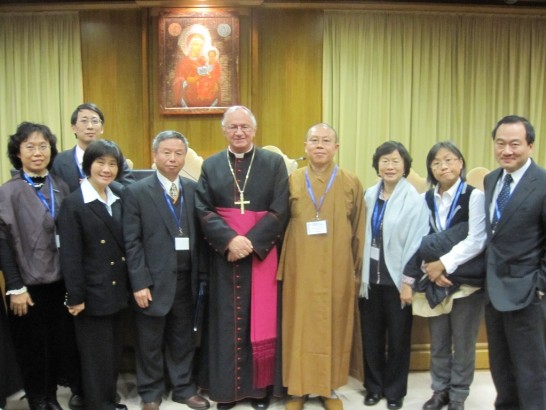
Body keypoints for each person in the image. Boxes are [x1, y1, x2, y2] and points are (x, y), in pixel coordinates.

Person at [195, 106, 289, 409]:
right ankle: (227, 391)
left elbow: (280, 209)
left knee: (259, 321)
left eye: (245, 127)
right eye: (233, 127)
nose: (239, 132)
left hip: (261, 255)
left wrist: (251, 241)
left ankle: (259, 391)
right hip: (225, 257)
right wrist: (230, 241)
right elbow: (203, 209)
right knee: (225, 323)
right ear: (224, 130)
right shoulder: (210, 166)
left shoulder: (273, 163)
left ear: (254, 130)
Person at [277, 123, 365, 410]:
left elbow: (359, 229)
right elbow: (278, 225)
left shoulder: (350, 181)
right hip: (299, 269)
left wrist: (356, 270)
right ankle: (297, 389)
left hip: (337, 269)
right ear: (305, 146)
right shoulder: (291, 180)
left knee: (333, 325)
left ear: (336, 148)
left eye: (326, 140)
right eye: (313, 140)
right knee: (297, 326)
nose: (319, 145)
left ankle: (328, 388)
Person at [123, 131, 209, 410]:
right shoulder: (136, 192)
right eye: (167, 153)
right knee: (149, 341)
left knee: (182, 338)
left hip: (187, 280)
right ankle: (150, 392)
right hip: (151, 282)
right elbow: (131, 242)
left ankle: (183, 388)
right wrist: (138, 283)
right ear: (155, 155)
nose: (173, 159)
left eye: (178, 153)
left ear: (185, 156)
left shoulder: (193, 189)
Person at [0, 122, 79, 410]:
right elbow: (3, 245)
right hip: (27, 285)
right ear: (18, 153)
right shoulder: (7, 192)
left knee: (57, 344)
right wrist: (15, 286)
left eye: (43, 146)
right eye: (30, 147)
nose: (37, 152)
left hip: (60, 281)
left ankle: (50, 396)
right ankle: (37, 398)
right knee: (32, 347)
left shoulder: (60, 186)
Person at [401, 142, 487, 410]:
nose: (443, 167)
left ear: (461, 163)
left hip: (466, 283)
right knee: (437, 341)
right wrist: (431, 269)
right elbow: (419, 238)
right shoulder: (425, 199)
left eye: (449, 160)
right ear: (430, 169)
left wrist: (443, 265)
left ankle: (459, 395)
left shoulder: (474, 196)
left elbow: (477, 240)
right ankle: (440, 390)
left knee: (463, 343)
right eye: (436, 163)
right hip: (434, 281)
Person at [57, 140, 130, 410]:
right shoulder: (74, 203)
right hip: (91, 291)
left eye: (112, 164)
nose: (106, 169)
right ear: (88, 166)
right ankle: (99, 403)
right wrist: (75, 296)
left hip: (116, 289)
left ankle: (106, 397)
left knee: (111, 351)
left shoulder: (118, 198)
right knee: (95, 354)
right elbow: (71, 256)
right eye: (100, 162)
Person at [357, 141, 428, 410]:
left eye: (396, 161)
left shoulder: (414, 201)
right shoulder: (369, 195)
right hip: (370, 283)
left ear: (405, 166)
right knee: (371, 338)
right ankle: (373, 387)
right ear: (377, 165)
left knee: (399, 340)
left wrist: (408, 282)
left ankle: (396, 390)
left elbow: (417, 243)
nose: (390, 166)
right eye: (385, 160)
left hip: (398, 283)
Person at [482, 115, 546, 410]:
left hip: (528, 294)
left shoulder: (543, 183)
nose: (507, 150)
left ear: (530, 145)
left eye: (515, 144)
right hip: (493, 292)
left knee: (531, 372)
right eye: (500, 143)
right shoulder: (492, 179)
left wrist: (540, 286)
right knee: (501, 366)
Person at [51, 102, 134, 195]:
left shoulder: (115, 157)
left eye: (95, 121)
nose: (90, 126)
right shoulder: (59, 160)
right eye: (84, 121)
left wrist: (101, 183)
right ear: (73, 128)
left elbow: (130, 189)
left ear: (102, 128)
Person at [172, 25, 220, 107]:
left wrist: (214, 82)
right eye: (196, 44)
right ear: (190, 45)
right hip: (189, 96)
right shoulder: (183, 62)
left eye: (201, 45)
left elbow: (213, 75)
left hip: (206, 96)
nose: (199, 47)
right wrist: (186, 81)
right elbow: (177, 81)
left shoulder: (205, 61)